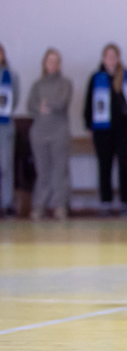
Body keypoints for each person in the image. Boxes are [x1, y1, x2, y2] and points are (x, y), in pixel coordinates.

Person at [84, 43, 127, 216]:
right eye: (108, 56)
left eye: (113, 56)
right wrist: (89, 125)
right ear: (103, 58)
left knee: (125, 166)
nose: (111, 59)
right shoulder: (96, 78)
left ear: (118, 58)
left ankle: (126, 202)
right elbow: (88, 103)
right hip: (102, 130)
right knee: (104, 166)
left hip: (124, 129)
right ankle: (106, 202)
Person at [27, 48, 72, 221]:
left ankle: (61, 206)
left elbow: (62, 103)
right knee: (42, 172)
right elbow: (31, 105)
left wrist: (46, 103)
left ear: (59, 64)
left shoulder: (65, 83)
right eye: (49, 61)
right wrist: (40, 106)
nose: (52, 64)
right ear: (44, 64)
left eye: (55, 61)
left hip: (59, 132)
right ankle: (40, 206)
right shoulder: (37, 85)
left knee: (60, 171)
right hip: (39, 133)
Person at [0, 42, 19, 218]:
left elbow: (15, 99)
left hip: (5, 126)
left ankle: (7, 204)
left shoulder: (11, 76)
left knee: (5, 166)